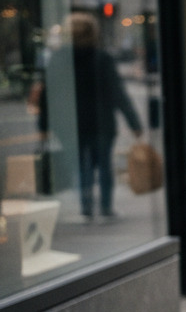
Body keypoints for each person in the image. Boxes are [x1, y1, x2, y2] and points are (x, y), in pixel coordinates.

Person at [39, 11, 143, 219]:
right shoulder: (102, 58)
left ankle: (85, 207)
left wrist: (43, 125)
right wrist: (134, 123)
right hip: (101, 122)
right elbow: (117, 93)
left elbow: (47, 95)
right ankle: (106, 207)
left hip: (70, 124)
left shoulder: (58, 59)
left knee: (79, 166)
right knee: (104, 165)